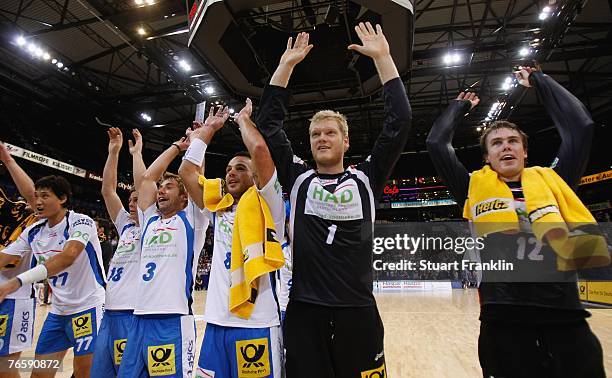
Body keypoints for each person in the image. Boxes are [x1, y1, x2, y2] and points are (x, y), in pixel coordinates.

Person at [426, 67, 607, 377]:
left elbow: (581, 126)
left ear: (525, 151)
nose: (505, 146)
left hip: (563, 317)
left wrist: (540, 81)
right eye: (496, 143)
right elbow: (437, 144)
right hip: (504, 321)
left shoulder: (555, 180)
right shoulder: (472, 187)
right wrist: (459, 107)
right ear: (486, 157)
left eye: (512, 141)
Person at [257, 23, 411, 377]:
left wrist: (384, 59)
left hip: (357, 311)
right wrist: (285, 67)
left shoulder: (366, 180)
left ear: (346, 142)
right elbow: (269, 123)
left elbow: (399, 121)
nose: (321, 138)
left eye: (330, 133)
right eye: (315, 134)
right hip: (305, 312)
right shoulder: (297, 179)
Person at [179, 100, 285, 378]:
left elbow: (260, 151)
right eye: (227, 169)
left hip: (257, 322)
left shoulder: (269, 204)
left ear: (255, 176)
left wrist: (242, 121)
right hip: (216, 323)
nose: (230, 173)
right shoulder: (219, 208)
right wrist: (209, 130)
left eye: (239, 168)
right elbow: (186, 173)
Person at [117, 133, 206, 378]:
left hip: (172, 320)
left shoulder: (192, 220)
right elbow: (147, 178)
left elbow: (197, 179)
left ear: (184, 198)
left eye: (169, 187)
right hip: (139, 317)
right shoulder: (149, 220)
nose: (161, 191)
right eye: (161, 188)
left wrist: (199, 144)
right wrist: (177, 146)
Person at [0, 175, 106, 377]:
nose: (38, 202)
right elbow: (4, 257)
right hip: (58, 313)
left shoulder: (81, 222)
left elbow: (68, 256)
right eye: (36, 196)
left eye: (45, 196)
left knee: (85, 372)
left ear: (63, 198)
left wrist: (17, 281)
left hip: (88, 307)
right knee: (39, 373)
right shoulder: (33, 231)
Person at [91, 128, 145, 377]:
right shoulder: (125, 225)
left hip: (131, 313)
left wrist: (137, 154)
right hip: (109, 311)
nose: (132, 204)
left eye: (137, 200)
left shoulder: (152, 226)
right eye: (130, 200)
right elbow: (108, 191)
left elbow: (145, 186)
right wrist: (114, 152)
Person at [0, 141, 40, 377]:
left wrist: (8, 160)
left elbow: (33, 197)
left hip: (14, 300)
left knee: (6, 368)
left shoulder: (26, 218)